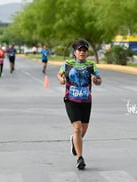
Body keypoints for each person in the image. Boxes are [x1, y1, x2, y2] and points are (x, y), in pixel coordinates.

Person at [57, 38, 102, 170]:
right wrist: (61, 79)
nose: (82, 52)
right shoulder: (68, 64)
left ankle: (74, 141)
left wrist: (96, 80)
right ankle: (80, 158)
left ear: (87, 53)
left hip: (86, 101)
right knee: (77, 128)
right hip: (71, 100)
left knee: (83, 130)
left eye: (84, 50)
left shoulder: (91, 66)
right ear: (75, 52)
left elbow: (99, 80)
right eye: (79, 50)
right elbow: (59, 75)